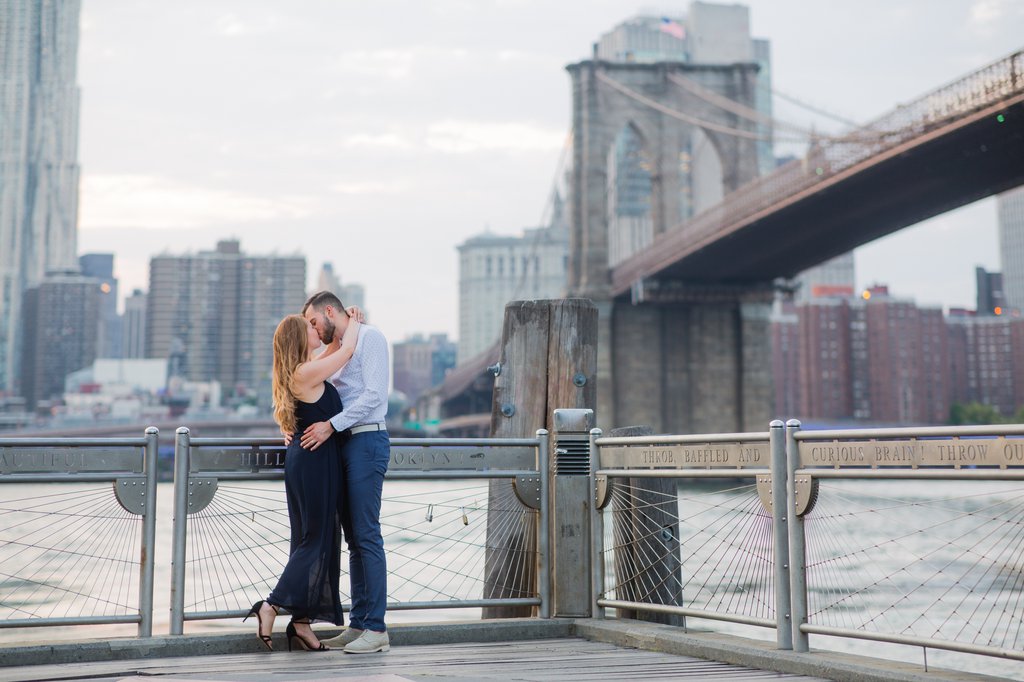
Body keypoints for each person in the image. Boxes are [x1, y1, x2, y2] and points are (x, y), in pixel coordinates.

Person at [244, 311, 361, 652]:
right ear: (298, 337)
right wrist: (353, 319)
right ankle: (271, 605)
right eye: (310, 326)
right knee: (316, 540)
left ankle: (301, 624)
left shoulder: (300, 370)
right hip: (314, 462)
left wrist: (340, 333)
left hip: (306, 459)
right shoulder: (306, 372)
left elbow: (335, 348)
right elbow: (347, 350)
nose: (316, 329)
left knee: (308, 540)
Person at [299, 290, 391, 654]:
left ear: (328, 311)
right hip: (343, 444)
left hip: (367, 442)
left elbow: (374, 396)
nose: (312, 329)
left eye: (312, 321)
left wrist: (330, 426)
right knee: (352, 538)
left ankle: (378, 628)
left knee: (367, 534)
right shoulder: (335, 349)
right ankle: (359, 624)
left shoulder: (371, 337)